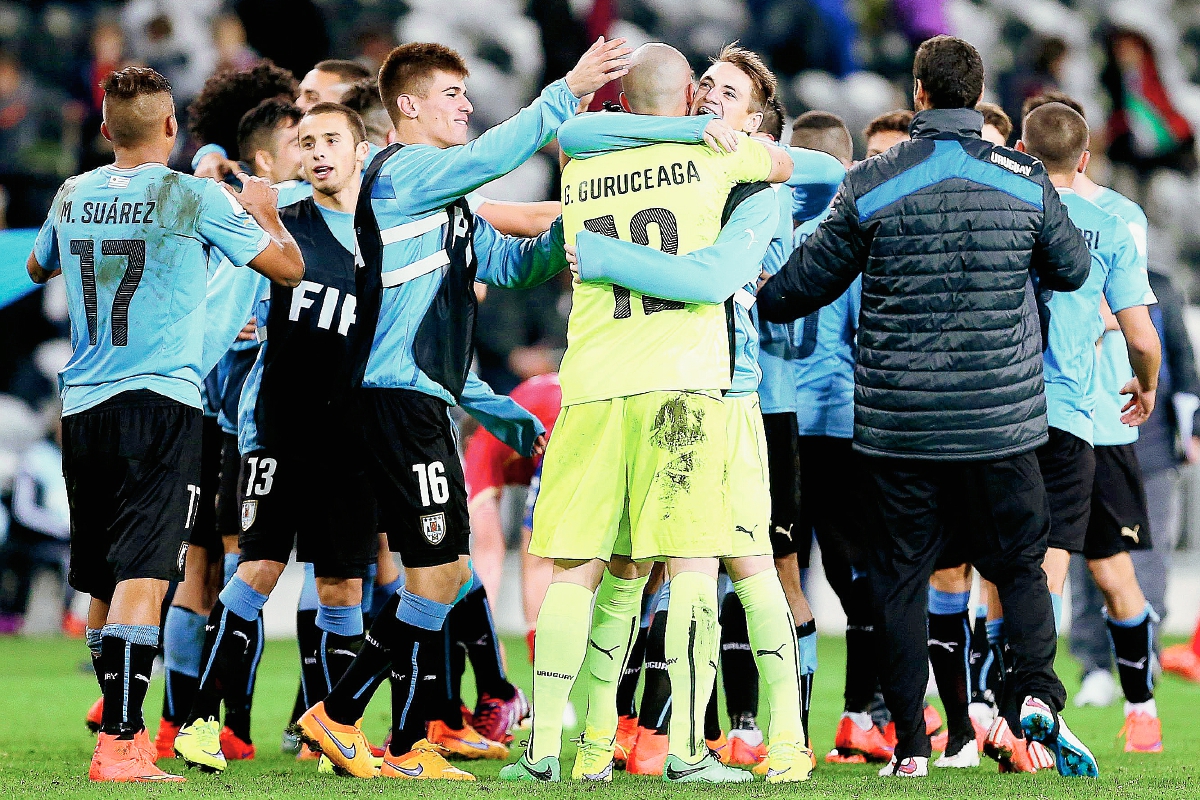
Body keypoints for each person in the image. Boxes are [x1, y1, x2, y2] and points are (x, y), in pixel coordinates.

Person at [296, 38, 631, 782]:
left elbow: (510, 263)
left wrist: (577, 229)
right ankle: (343, 716)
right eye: (452, 95)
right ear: (407, 107)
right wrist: (564, 92)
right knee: (439, 572)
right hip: (397, 400)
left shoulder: (441, 198)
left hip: (422, 400)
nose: (466, 106)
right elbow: (491, 160)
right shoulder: (402, 171)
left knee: (438, 573)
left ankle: (400, 735)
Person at [758, 36, 1092, 778]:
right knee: (1021, 568)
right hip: (1001, 423)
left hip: (901, 427)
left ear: (918, 93)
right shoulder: (1024, 175)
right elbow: (1073, 269)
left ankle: (910, 745)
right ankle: (1035, 698)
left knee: (900, 583)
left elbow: (800, 286)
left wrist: (750, 290)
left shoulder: (874, 179)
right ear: (977, 95)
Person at [500, 41, 801, 785]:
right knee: (674, 567)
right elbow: (792, 166)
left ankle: (557, 752)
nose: (711, 99)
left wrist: (599, 255)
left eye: (728, 92)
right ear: (684, 101)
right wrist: (706, 137)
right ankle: (672, 751)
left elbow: (569, 136)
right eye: (704, 87)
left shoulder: (587, 166)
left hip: (610, 384)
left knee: (599, 567)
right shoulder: (725, 161)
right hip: (685, 390)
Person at [26, 65, 304, 783]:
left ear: (104, 130)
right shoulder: (192, 195)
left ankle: (119, 726)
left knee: (99, 575)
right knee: (148, 571)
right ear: (172, 128)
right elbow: (286, 270)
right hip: (161, 401)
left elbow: (35, 266)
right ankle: (122, 743)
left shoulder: (71, 192)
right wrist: (266, 213)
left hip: (83, 407)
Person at [156, 96, 305, 764]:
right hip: (242, 418)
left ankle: (173, 717)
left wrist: (211, 160)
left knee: (202, 567)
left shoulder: (209, 195)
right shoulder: (268, 207)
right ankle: (226, 723)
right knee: (240, 564)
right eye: (303, 139)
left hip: (202, 408)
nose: (315, 153)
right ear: (269, 156)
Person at [1013, 101, 1162, 757]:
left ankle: (1142, 708)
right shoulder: (1093, 222)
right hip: (1069, 411)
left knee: (1110, 574)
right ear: (1086, 154)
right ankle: (1018, 717)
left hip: (1098, 420)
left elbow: (1121, 312)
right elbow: (1126, 321)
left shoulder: (1122, 219)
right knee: (1028, 574)